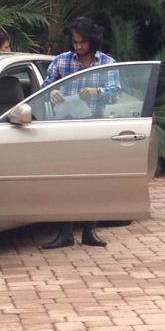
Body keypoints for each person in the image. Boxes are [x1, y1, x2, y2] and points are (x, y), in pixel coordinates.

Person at [39, 16, 117, 251]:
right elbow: (44, 87)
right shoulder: (61, 61)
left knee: (92, 180)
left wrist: (98, 91)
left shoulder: (107, 63)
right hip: (64, 128)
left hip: (94, 127)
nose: (79, 46)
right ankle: (64, 232)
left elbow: (116, 91)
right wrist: (51, 92)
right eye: (75, 42)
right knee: (63, 180)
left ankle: (89, 230)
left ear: (93, 40)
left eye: (83, 42)